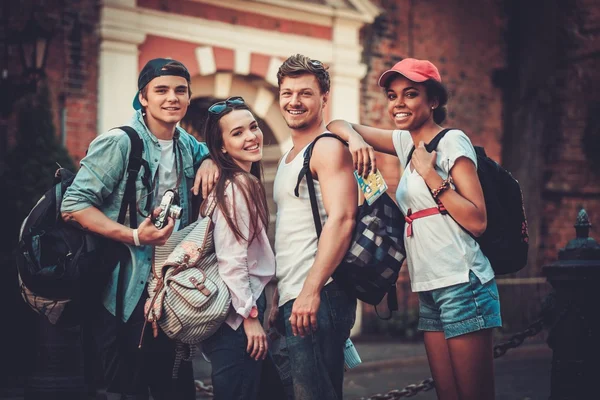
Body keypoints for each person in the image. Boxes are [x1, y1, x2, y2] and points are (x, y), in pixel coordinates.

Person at [327, 58, 502, 400]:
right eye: (392, 96)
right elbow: (338, 123)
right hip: (430, 288)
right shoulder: (406, 144)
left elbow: (477, 220)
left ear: (433, 100)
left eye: (410, 94)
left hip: (462, 283)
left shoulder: (452, 142)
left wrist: (431, 175)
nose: (399, 103)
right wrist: (355, 139)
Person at [61, 58, 218, 399]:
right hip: (123, 292)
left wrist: (209, 159)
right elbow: (72, 207)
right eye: (161, 90)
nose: (172, 98)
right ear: (143, 98)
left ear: (189, 98)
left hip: (169, 293)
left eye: (180, 90)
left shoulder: (187, 145)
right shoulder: (120, 142)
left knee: (175, 388)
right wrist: (134, 235)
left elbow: (212, 150)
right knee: (129, 389)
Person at [269, 54, 358, 400]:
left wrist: (310, 290)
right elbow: (295, 231)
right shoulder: (292, 154)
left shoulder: (326, 149)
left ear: (324, 98)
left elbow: (343, 219)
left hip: (321, 294)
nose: (294, 101)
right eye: (287, 93)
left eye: (305, 93)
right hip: (296, 295)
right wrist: (280, 293)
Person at [198, 96, 275, 400]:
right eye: (237, 133)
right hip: (237, 316)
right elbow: (232, 258)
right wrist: (250, 318)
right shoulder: (238, 186)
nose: (251, 137)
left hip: (239, 310)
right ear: (221, 148)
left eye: (253, 127)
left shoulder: (239, 182)